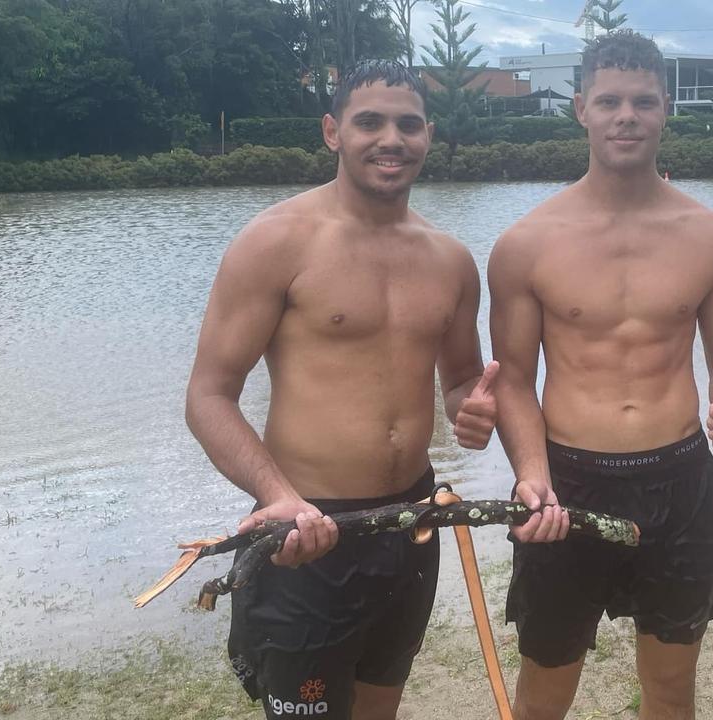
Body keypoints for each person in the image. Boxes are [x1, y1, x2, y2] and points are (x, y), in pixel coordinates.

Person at [184, 60, 499, 720]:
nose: (392, 138)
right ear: (332, 131)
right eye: (369, 122)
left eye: (408, 124)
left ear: (429, 135)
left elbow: (462, 381)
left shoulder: (450, 261)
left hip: (412, 523)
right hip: (304, 530)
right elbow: (209, 396)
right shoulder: (275, 242)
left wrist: (471, 410)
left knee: (379, 704)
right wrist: (278, 499)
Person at [487, 30, 713, 720]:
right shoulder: (527, 244)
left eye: (642, 101)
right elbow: (513, 380)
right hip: (566, 486)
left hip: (681, 482)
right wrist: (531, 472)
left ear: (666, 108)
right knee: (547, 682)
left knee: (670, 687)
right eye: (609, 101)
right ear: (580, 108)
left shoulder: (712, 238)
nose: (626, 116)